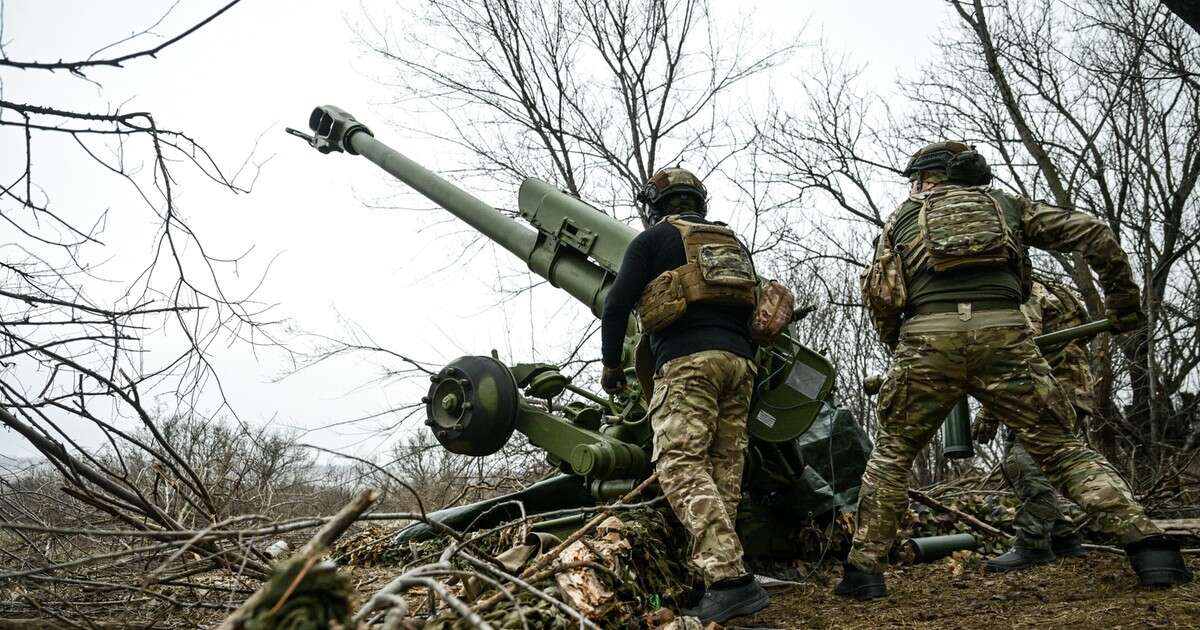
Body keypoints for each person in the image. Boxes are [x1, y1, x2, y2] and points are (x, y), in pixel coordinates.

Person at [843, 141, 1191, 600]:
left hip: (927, 337)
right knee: (1063, 449)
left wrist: (902, 349)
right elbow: (1093, 232)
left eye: (916, 178)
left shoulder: (901, 220)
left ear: (929, 178)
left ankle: (863, 574)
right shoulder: (1006, 206)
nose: (914, 186)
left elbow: (882, 296)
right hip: (1005, 331)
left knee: (892, 455)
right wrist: (1123, 302)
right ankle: (1151, 548)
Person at [599, 167, 769, 624]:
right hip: (740, 366)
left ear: (656, 205)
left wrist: (612, 366)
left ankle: (730, 579)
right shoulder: (731, 243)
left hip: (688, 362)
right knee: (722, 471)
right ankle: (718, 579)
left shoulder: (653, 240)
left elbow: (616, 305)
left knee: (678, 463)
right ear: (699, 200)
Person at [971, 279, 1092, 571]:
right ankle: (1063, 538)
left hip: (1048, 392)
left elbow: (1017, 350)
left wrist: (988, 413)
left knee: (1022, 463)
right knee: (1022, 460)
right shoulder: (1048, 287)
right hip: (1052, 391)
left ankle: (1032, 543)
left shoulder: (1024, 292)